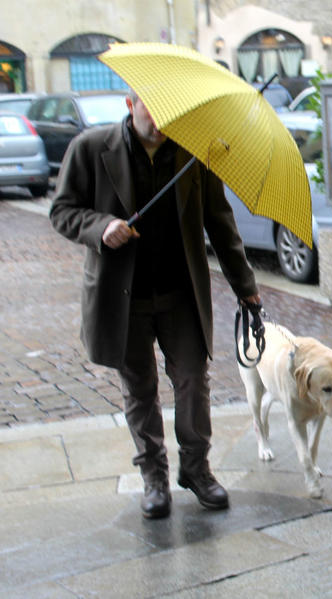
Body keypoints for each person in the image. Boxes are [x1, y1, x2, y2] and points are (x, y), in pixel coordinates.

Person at [50, 90, 260, 519]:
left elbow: (220, 223)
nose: (162, 121)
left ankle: (197, 469)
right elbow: (63, 211)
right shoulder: (90, 148)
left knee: (193, 382)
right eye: (153, 109)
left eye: (171, 111)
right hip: (121, 297)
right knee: (140, 389)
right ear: (131, 105)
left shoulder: (193, 156)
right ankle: (154, 477)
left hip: (180, 293)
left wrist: (246, 287)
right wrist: (101, 226)